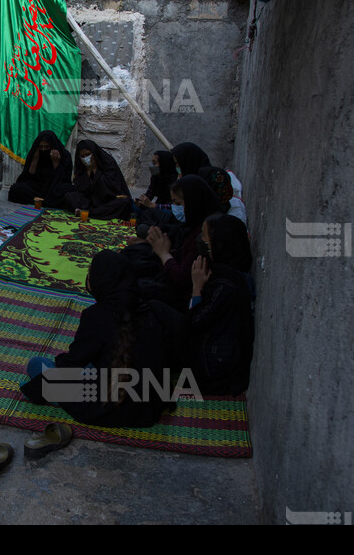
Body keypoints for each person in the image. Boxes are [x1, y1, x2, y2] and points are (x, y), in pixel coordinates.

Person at [20, 250, 172, 428]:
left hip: (111, 407)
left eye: (91, 273)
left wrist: (39, 387)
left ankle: (57, 397)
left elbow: (72, 365)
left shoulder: (96, 316)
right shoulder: (151, 310)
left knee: (36, 365)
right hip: (149, 407)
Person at [159, 213, 255, 396]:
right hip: (210, 350)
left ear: (220, 245)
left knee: (156, 309)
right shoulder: (227, 273)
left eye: (205, 241)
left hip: (211, 369)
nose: (201, 244)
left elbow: (195, 323)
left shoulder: (226, 286)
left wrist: (197, 289)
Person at [145, 175, 224, 309]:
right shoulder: (194, 223)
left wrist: (164, 254)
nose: (175, 208)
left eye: (178, 204)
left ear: (193, 202)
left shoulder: (204, 235)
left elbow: (182, 277)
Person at [63, 140, 132, 220]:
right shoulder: (81, 167)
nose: (86, 158)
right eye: (83, 156)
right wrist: (88, 173)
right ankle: (92, 212)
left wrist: (95, 170)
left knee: (124, 202)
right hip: (90, 201)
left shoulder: (108, 162)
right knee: (69, 196)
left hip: (107, 200)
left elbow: (111, 188)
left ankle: (89, 213)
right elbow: (80, 190)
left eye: (88, 154)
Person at [8, 131, 74, 207]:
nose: (43, 149)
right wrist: (34, 160)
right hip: (38, 187)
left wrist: (56, 163)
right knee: (15, 189)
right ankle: (46, 202)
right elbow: (27, 177)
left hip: (54, 187)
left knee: (67, 191)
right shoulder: (35, 153)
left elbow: (65, 180)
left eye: (47, 147)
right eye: (41, 147)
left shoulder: (65, 156)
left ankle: (40, 201)